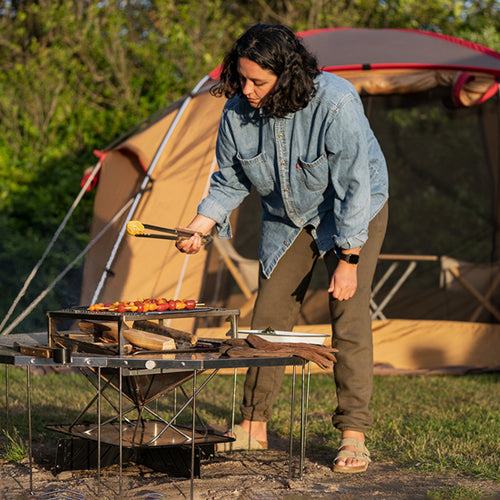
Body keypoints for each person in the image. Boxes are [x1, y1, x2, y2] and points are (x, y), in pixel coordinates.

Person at [175, 23, 389, 473]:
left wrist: (347, 260)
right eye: (242, 79)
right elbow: (229, 179)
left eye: (258, 82)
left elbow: (354, 186)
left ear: (286, 75)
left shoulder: (336, 101)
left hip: (353, 210)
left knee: (347, 316)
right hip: (286, 217)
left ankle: (354, 433)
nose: (247, 91)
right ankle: (252, 426)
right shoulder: (236, 112)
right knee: (269, 322)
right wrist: (200, 225)